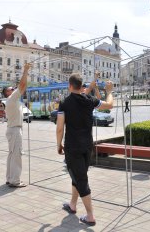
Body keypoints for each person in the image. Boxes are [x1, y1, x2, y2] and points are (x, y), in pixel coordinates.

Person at [56, 73, 114, 226]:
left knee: (81, 179)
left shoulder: (64, 103)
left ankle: (90, 216)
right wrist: (110, 91)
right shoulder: (89, 100)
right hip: (87, 146)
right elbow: (109, 105)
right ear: (81, 86)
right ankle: (73, 204)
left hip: (72, 147)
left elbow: (59, 128)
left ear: (69, 86)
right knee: (79, 174)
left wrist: (58, 144)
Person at [2, 62, 32, 188]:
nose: (13, 89)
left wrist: (26, 71)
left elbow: (22, 87)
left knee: (11, 154)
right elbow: (22, 85)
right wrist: (25, 70)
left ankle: (10, 178)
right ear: (7, 93)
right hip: (15, 130)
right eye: (11, 89)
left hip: (12, 129)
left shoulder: (12, 99)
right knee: (16, 155)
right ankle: (15, 180)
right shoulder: (12, 99)